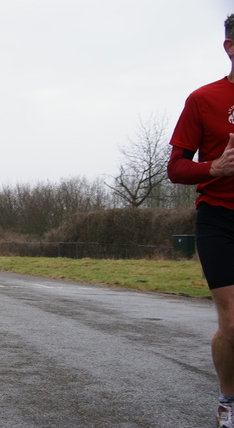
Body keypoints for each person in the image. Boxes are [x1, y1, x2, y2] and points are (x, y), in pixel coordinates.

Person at [167, 14, 234, 428]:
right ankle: (228, 400)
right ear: (230, 47)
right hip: (220, 221)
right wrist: (214, 169)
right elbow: (175, 168)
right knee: (232, 323)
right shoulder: (203, 99)